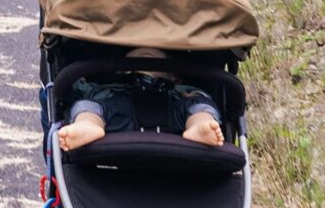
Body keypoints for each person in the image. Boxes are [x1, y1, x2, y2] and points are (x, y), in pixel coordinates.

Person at [53, 48, 225, 151]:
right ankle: (88, 126)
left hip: (171, 113)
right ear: (121, 71)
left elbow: (201, 97)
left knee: (200, 106)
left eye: (157, 58)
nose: (146, 53)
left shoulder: (179, 90)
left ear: (174, 76)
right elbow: (78, 87)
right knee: (87, 106)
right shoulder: (109, 89)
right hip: (117, 112)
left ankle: (199, 127)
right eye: (136, 55)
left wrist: (195, 98)